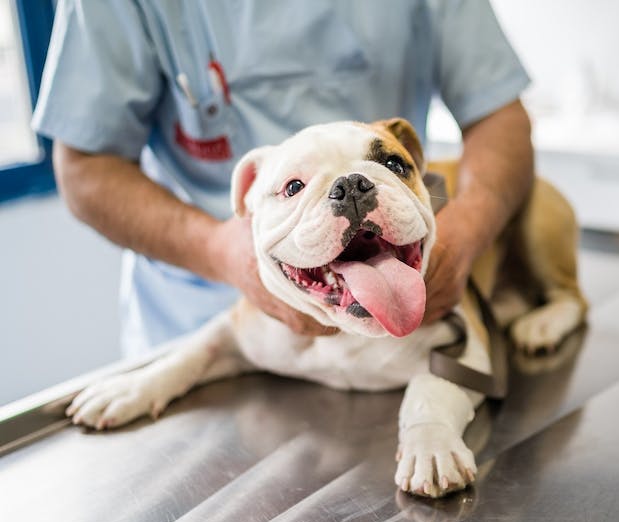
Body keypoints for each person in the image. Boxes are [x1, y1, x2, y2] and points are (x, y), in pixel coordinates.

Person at [33, 0, 534, 357]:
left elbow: (498, 114)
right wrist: (220, 252)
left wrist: (465, 232)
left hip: (397, 308)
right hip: (200, 324)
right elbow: (83, 166)